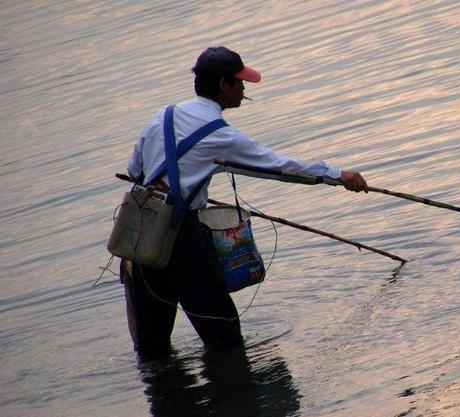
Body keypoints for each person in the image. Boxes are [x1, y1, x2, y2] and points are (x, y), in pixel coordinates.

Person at [121, 46, 368, 356]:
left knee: (151, 349)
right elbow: (279, 167)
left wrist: (187, 182)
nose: (244, 89)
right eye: (239, 82)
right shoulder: (223, 137)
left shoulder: (163, 115)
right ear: (224, 85)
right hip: (182, 241)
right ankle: (232, 397)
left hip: (138, 233)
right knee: (223, 336)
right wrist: (336, 175)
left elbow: (135, 171)